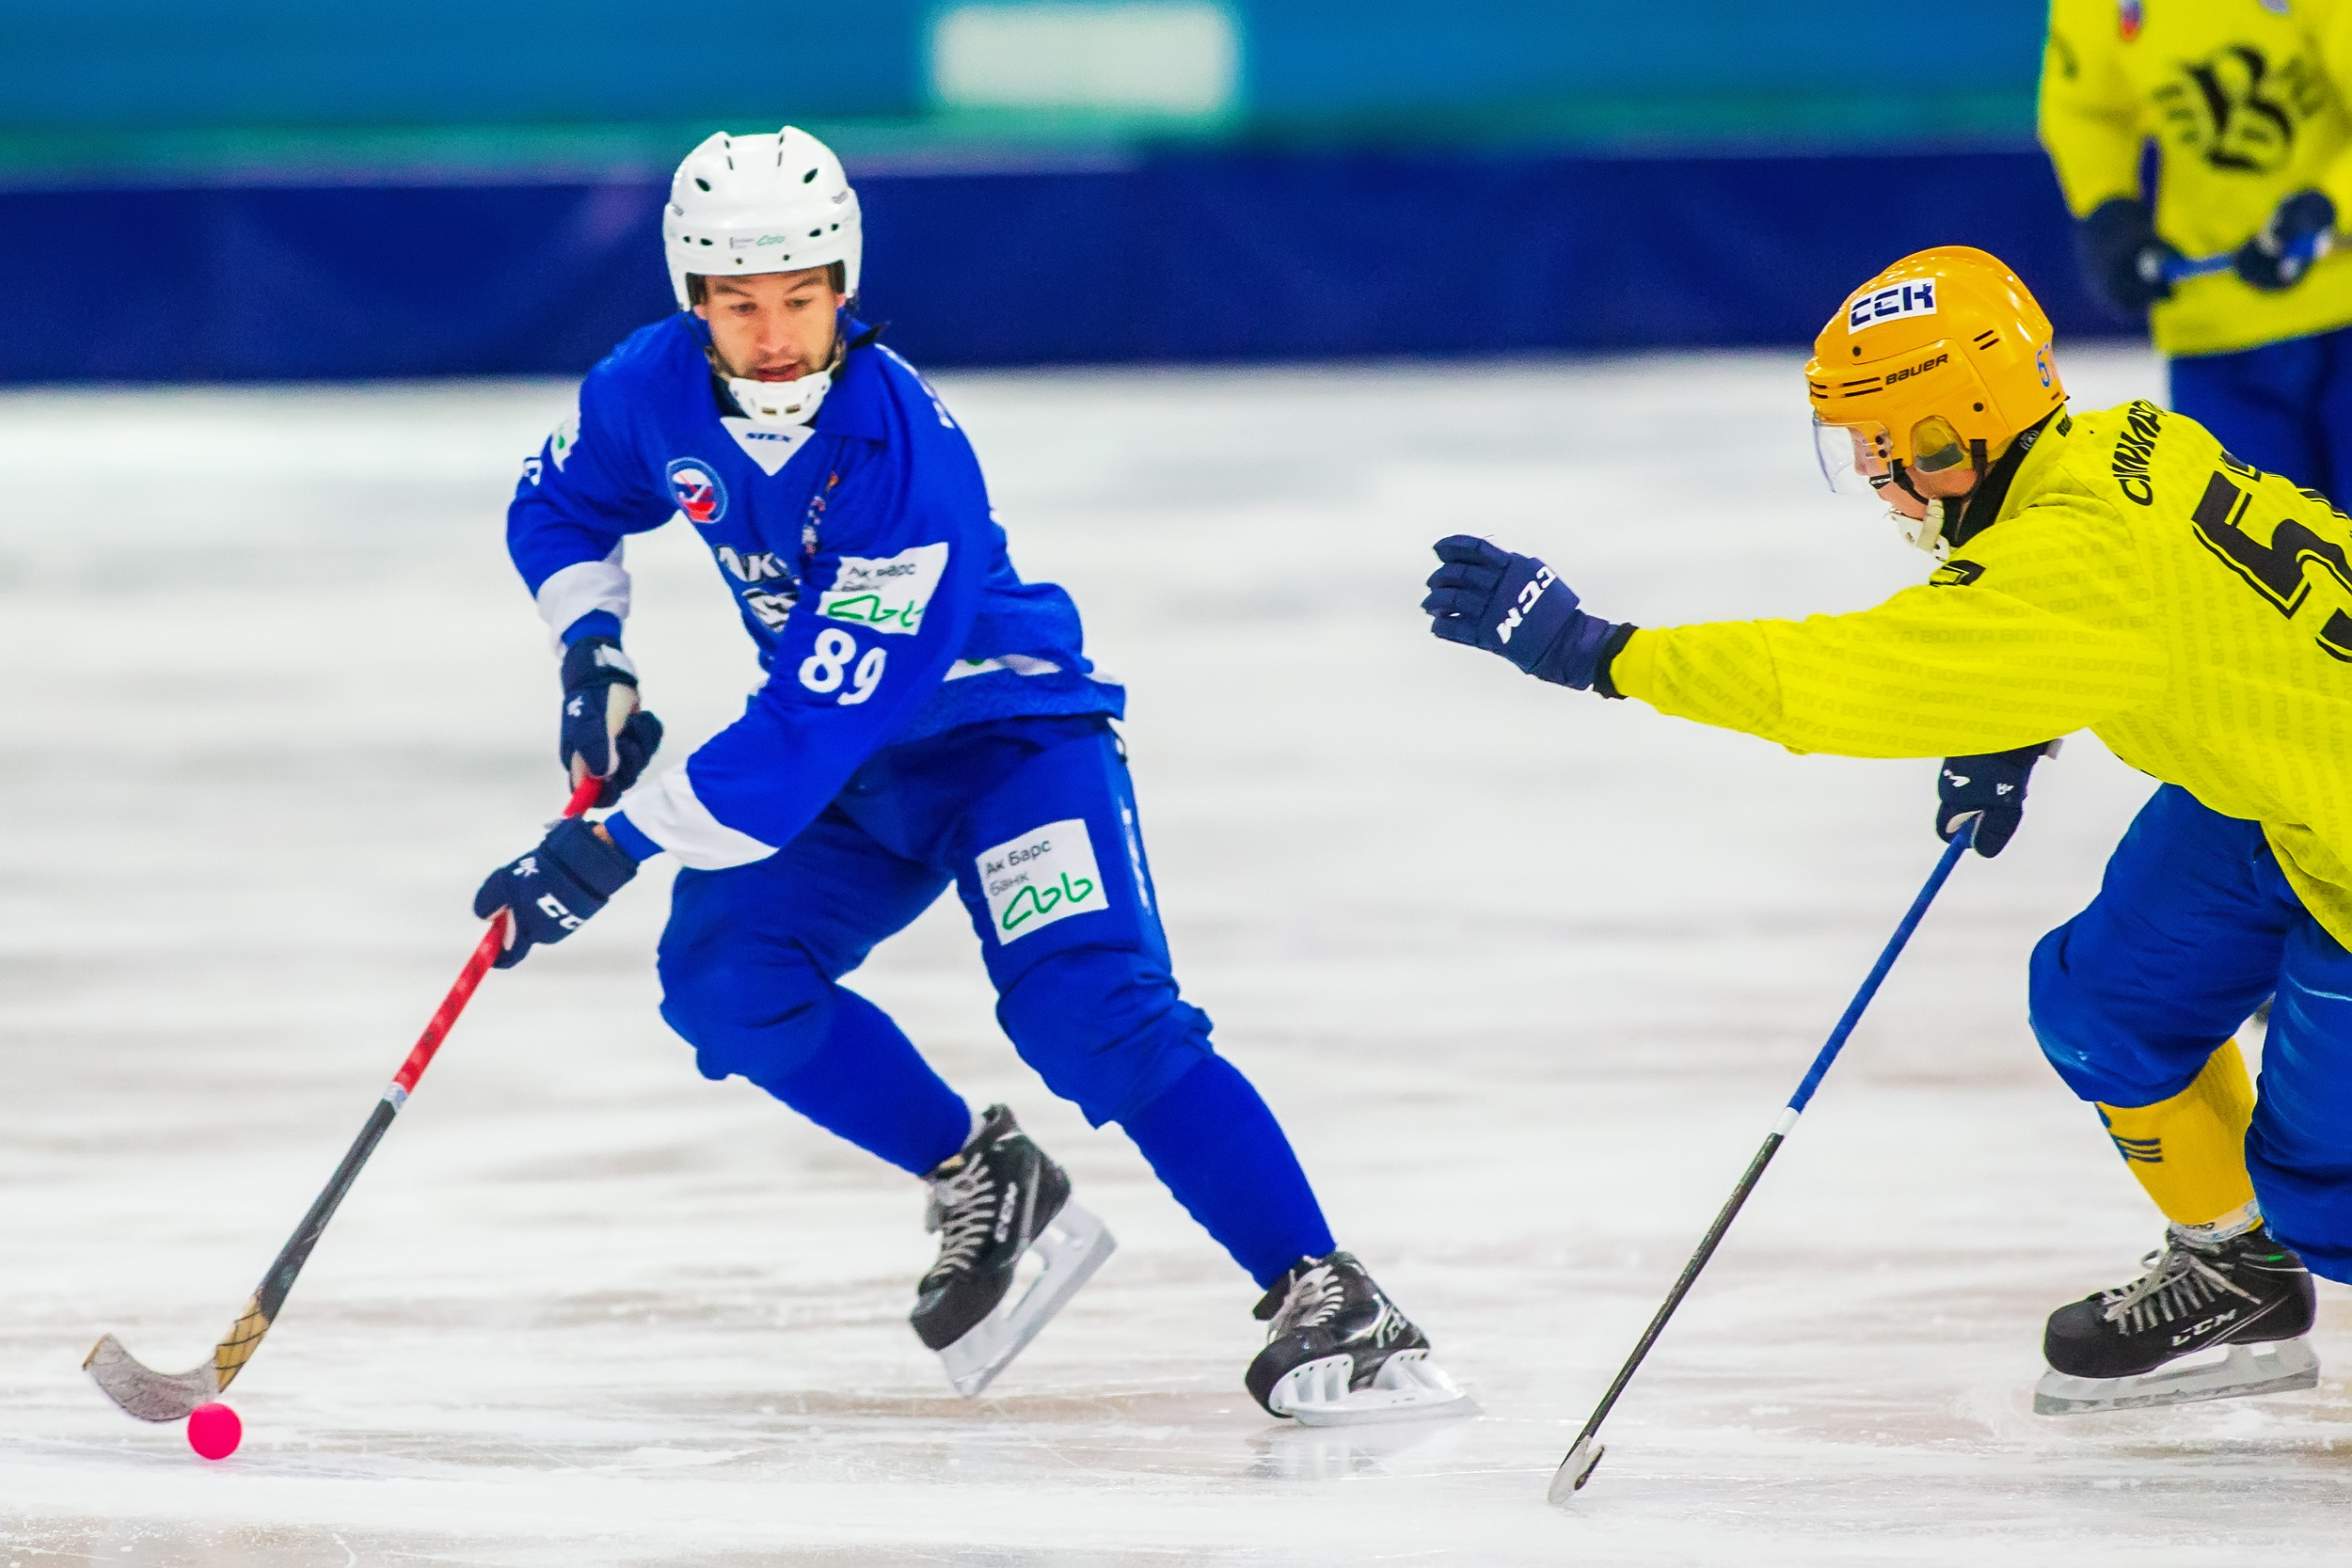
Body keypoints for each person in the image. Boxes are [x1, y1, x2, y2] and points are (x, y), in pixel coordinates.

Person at [470, 126, 1469, 1424]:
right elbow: (556, 504)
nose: (772, 335)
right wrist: (589, 650)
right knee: (724, 978)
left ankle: (1330, 1289)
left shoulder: (906, 459)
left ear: (843, 285)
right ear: (691, 297)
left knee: (1086, 1010)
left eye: (799, 298)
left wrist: (612, 844)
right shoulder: (646, 388)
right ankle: (983, 1172)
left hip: (1006, 748)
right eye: (738, 304)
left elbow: (815, 721)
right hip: (854, 771)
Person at [1422, 245, 2352, 1415]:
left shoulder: (2068, 564)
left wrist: (1602, 652)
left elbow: (1841, 676)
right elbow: (2183, 613)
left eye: (1877, 443)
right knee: (2101, 998)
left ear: (1950, 429)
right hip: (2288, 794)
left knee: (2332, 1195)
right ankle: (2236, 1270)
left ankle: (2292, 1233)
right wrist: (2012, 707)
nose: (1869, 473)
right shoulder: (2120, 445)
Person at [2042, 0, 2352, 504]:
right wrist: (2109, 208)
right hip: (2216, 330)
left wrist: (2330, 205)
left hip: (2342, 309)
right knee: (2254, 564)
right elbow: (2085, 109)